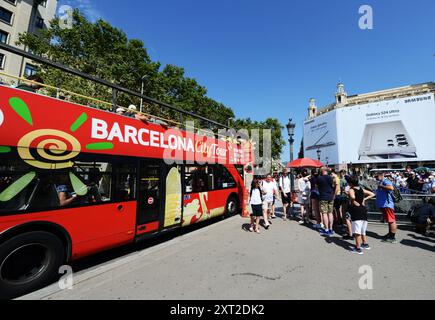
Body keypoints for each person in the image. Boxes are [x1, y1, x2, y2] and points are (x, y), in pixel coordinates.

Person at [346, 176, 375, 255]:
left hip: (356, 210)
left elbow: (352, 196)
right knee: (363, 230)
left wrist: (353, 200)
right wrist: (364, 199)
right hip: (363, 210)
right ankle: (365, 244)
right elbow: (372, 194)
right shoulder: (361, 189)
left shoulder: (351, 189)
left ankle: (358, 248)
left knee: (357, 231)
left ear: (351, 183)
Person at [375, 172, 398, 243]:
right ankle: (390, 234)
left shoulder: (386, 181)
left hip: (387, 204)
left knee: (391, 220)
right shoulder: (382, 181)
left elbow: (391, 188)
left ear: (381, 175)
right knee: (389, 220)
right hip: (384, 205)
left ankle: (392, 237)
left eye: (377, 176)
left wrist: (381, 186)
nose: (375, 178)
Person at [317, 167, 336, 237]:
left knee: (324, 213)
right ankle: (331, 229)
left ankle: (326, 229)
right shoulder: (331, 178)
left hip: (323, 197)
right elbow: (334, 186)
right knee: (330, 213)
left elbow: (317, 187)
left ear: (322, 171)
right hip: (330, 196)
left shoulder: (319, 178)